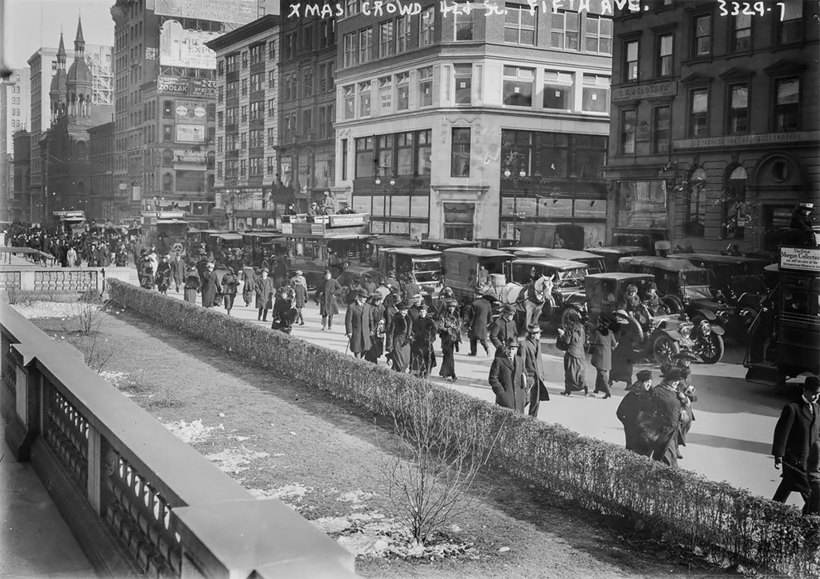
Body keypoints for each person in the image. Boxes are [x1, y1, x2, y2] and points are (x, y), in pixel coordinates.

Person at [772, 375, 820, 512]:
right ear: (805, 391)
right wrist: (778, 455)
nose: (816, 397)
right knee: (811, 492)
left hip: (810, 460)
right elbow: (782, 433)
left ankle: (771, 511)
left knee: (787, 486)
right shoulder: (793, 408)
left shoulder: (817, 409)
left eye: (819, 394)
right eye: (814, 394)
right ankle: (810, 518)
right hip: (794, 460)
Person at [648, 368, 689, 467]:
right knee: (666, 460)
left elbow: (684, 407)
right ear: (668, 379)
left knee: (669, 459)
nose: (677, 382)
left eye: (678, 380)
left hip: (673, 433)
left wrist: (684, 401)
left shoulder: (676, 392)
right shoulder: (658, 391)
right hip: (662, 432)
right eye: (674, 380)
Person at [616, 369, 656, 456]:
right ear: (640, 382)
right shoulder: (632, 395)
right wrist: (628, 424)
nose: (648, 384)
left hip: (648, 433)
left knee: (646, 456)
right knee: (632, 455)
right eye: (646, 382)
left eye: (650, 381)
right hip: (633, 433)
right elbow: (620, 412)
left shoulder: (654, 395)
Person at [488, 337, 527, 414]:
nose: (511, 351)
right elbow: (493, 379)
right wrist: (501, 393)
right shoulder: (499, 360)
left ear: (516, 350)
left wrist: (526, 386)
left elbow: (524, 373)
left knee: (519, 421)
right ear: (506, 348)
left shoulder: (520, 360)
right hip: (505, 399)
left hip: (519, 398)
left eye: (513, 349)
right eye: (509, 348)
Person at [519, 323, 550, 417]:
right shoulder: (524, 345)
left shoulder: (538, 343)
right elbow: (521, 363)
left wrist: (542, 374)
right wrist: (525, 377)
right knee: (525, 401)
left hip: (538, 378)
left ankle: (532, 421)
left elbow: (539, 361)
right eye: (538, 333)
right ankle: (516, 417)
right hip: (530, 377)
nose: (540, 335)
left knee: (536, 402)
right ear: (533, 335)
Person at [557, 309, 587, 396]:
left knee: (569, 372)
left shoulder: (570, 328)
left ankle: (567, 390)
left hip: (571, 352)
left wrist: (562, 334)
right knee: (579, 372)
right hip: (580, 352)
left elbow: (567, 341)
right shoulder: (582, 327)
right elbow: (583, 340)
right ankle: (583, 386)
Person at [589, 315, 618, 399]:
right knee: (601, 372)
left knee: (602, 374)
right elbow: (614, 344)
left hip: (599, 355)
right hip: (607, 355)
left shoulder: (597, 332)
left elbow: (593, 342)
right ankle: (597, 388)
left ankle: (607, 391)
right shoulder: (610, 332)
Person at [611, 310, 639, 389]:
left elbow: (615, 336)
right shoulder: (630, 326)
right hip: (627, 348)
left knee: (616, 364)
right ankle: (628, 383)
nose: (616, 317)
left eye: (618, 315)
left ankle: (612, 380)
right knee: (626, 366)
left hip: (622, 348)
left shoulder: (619, 325)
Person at [437, 299, 462, 381]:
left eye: (453, 307)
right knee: (449, 355)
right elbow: (440, 327)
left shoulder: (456, 315)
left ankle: (444, 372)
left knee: (448, 355)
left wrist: (456, 330)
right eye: (450, 307)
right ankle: (452, 374)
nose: (451, 309)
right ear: (447, 308)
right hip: (445, 338)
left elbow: (459, 325)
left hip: (453, 338)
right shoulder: (443, 315)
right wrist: (448, 329)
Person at [410, 303, 438, 378]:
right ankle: (419, 372)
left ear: (426, 312)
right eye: (421, 311)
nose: (422, 313)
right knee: (418, 358)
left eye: (424, 311)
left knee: (428, 358)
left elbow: (434, 331)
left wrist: (431, 339)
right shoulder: (415, 321)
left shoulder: (430, 321)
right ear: (419, 312)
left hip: (427, 343)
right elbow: (413, 331)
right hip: (418, 343)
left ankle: (427, 371)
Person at [345, 288, 372, 358]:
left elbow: (370, 319)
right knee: (357, 350)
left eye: (365, 298)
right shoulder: (352, 306)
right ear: (359, 297)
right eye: (363, 297)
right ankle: (358, 363)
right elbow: (348, 321)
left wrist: (372, 329)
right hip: (356, 332)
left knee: (366, 348)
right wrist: (349, 331)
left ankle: (358, 361)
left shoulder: (368, 306)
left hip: (366, 332)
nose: (364, 299)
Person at [387, 301, 413, 373]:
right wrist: (390, 346)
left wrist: (411, 336)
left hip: (406, 343)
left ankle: (397, 374)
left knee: (406, 362)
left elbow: (410, 330)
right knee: (399, 362)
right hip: (398, 342)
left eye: (406, 310)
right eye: (403, 310)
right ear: (399, 310)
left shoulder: (409, 319)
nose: (404, 312)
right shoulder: (395, 319)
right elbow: (390, 333)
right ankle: (399, 377)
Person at [466, 290, 492, 356]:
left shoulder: (474, 303)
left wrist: (469, 325)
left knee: (473, 338)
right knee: (482, 338)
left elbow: (472, 316)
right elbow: (490, 314)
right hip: (483, 323)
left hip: (475, 323)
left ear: (475, 295)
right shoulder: (488, 303)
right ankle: (487, 349)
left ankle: (473, 352)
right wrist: (488, 322)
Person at [364, 292, 386, 364]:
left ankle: (374, 358)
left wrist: (383, 320)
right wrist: (371, 329)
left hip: (379, 329)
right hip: (371, 327)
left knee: (377, 345)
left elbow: (385, 317)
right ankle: (369, 359)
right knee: (370, 345)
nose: (377, 302)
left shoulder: (382, 307)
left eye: (379, 301)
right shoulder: (370, 307)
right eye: (376, 300)